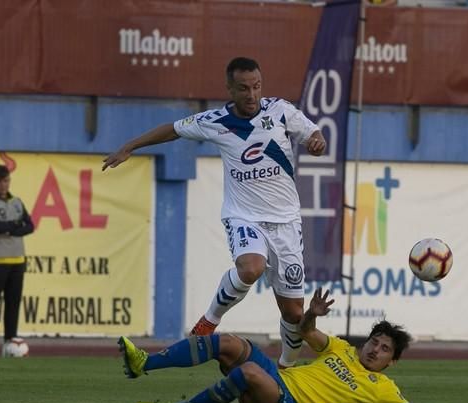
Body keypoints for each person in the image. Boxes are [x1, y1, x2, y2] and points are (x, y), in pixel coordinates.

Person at [103, 57, 327, 368]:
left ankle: (287, 368)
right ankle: (209, 322)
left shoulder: (280, 110)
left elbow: (314, 134)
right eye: (244, 88)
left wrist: (317, 141)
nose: (252, 95)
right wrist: (130, 146)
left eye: (257, 87)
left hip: (287, 223)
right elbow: (173, 129)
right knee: (251, 268)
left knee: (293, 314)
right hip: (244, 217)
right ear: (230, 89)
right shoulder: (216, 121)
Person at [118, 288, 467, 403]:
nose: (375, 349)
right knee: (229, 343)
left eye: (384, 349)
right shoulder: (342, 349)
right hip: (279, 379)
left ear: (391, 362)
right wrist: (312, 314)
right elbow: (304, 332)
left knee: (252, 371)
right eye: (375, 341)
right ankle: (145, 363)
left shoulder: (382, 388)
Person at [0, 165, 35, 356]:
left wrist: (9, 228)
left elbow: (30, 226)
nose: (3, 185)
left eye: (6, 181)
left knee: (13, 303)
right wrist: (16, 226)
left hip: (17, 260)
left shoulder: (17, 202)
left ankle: (9, 345)